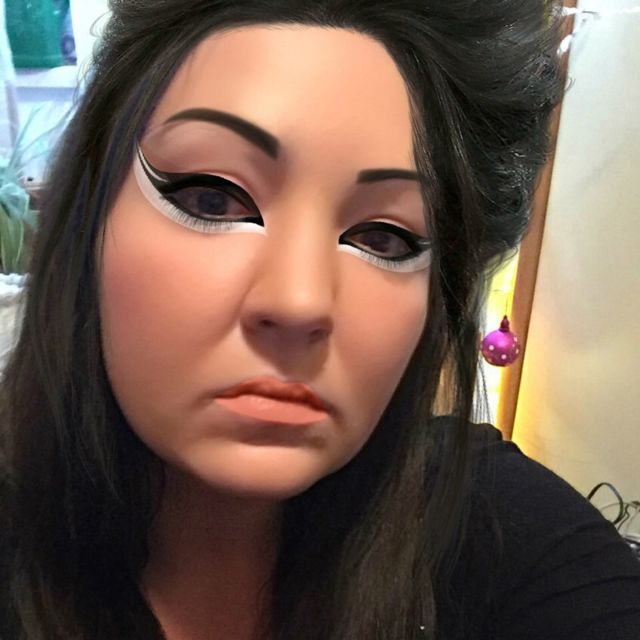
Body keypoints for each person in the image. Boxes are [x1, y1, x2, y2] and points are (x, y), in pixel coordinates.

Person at [1, 1, 639, 639]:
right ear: (88, 221)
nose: (299, 301)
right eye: (213, 199)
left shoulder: (519, 548)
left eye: (383, 237)